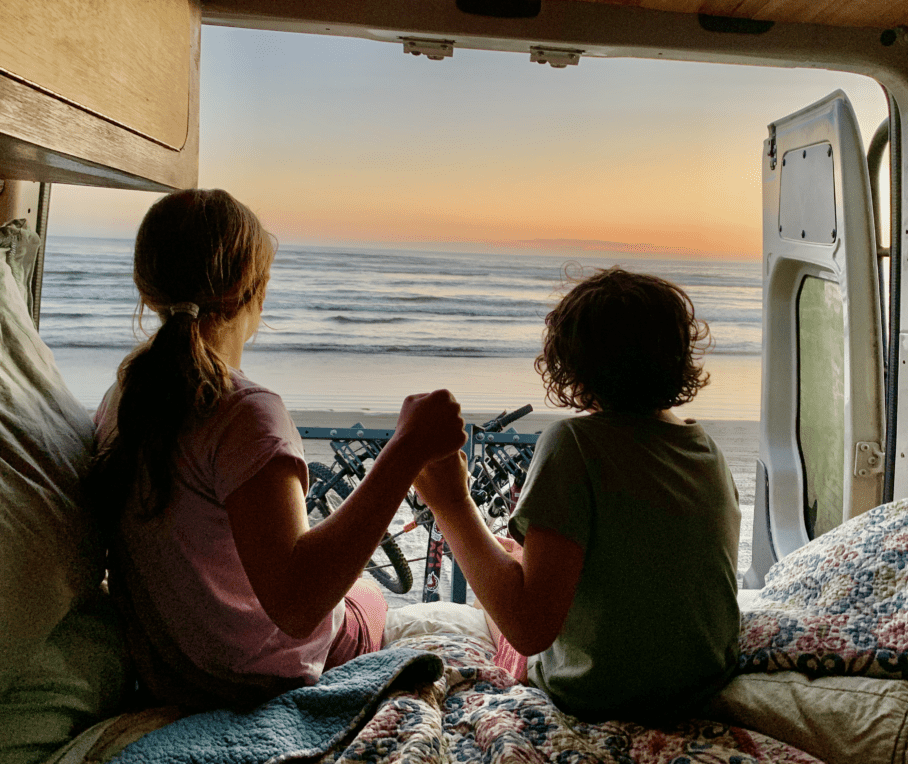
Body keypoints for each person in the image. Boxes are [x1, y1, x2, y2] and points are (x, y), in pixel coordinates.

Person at [89, 188, 467, 709]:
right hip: (254, 680)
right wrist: (405, 450)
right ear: (253, 288)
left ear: (146, 287)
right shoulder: (244, 414)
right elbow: (298, 604)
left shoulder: (126, 395)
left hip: (172, 671)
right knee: (371, 598)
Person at [413, 266, 741, 722]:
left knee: (493, 613)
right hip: (700, 686)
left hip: (598, 695)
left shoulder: (574, 444)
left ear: (574, 367)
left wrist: (451, 503)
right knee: (511, 564)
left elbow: (529, 628)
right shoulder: (707, 449)